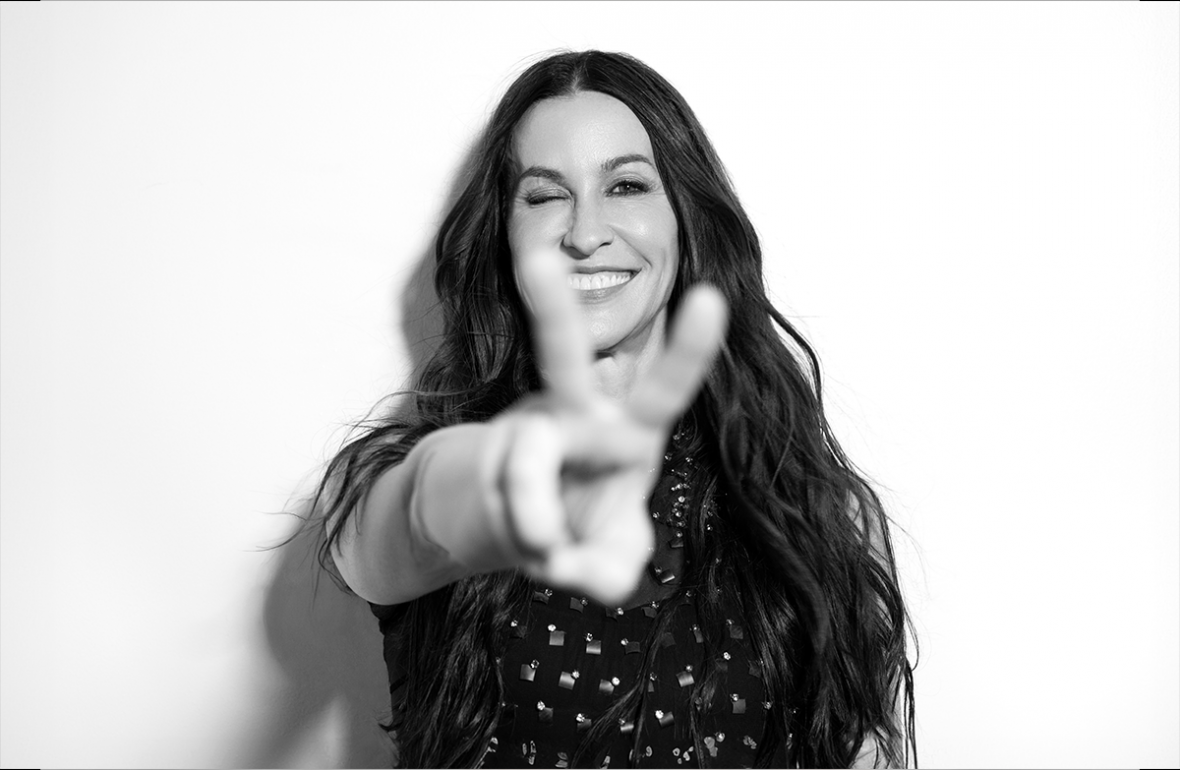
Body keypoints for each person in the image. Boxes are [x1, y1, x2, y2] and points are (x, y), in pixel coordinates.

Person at [311, 50, 917, 768]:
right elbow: (398, 532)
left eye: (626, 185)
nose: (585, 232)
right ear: (503, 235)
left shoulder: (815, 505)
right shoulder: (386, 481)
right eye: (545, 196)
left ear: (685, 219)